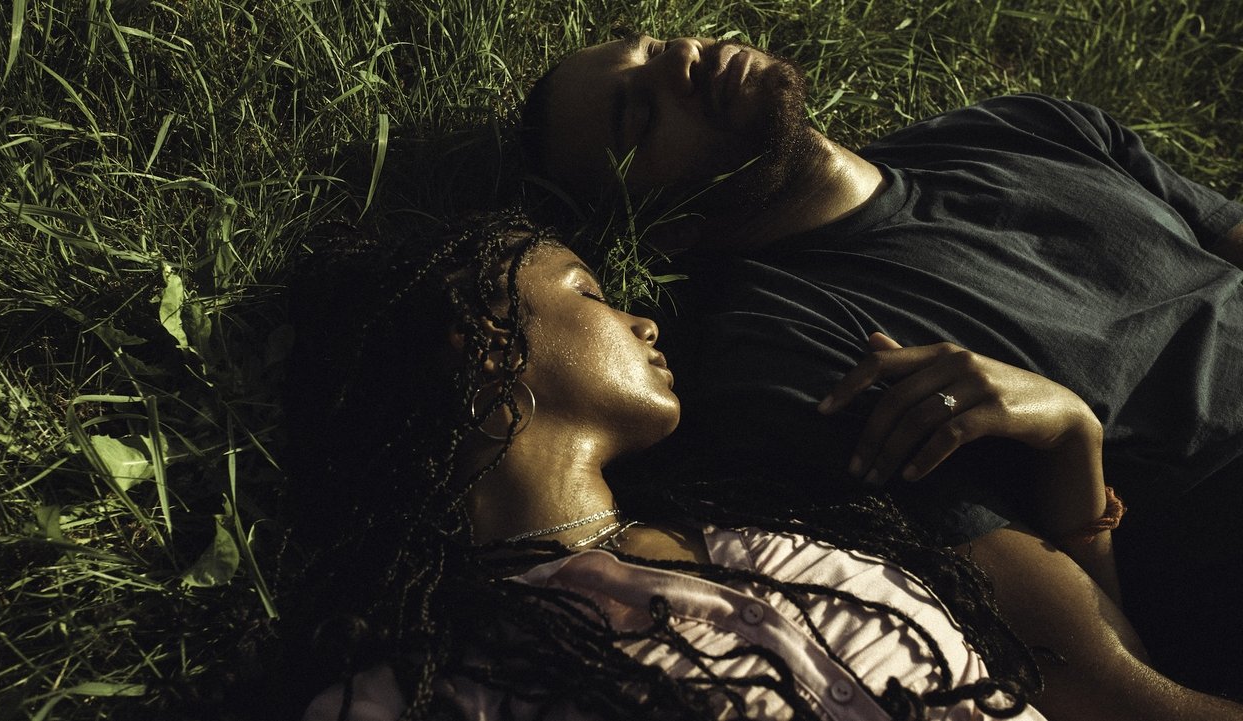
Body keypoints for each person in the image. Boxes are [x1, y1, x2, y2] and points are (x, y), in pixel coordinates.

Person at [519, 31, 1243, 703]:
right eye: (641, 114)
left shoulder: (1021, 124)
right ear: (666, 230)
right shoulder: (791, 352)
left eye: (650, 47)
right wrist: (1071, 436)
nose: (681, 55)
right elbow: (1105, 686)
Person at [272, 210, 1165, 721]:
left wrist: (1074, 439)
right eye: (589, 292)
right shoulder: (418, 692)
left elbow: (1107, 684)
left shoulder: (783, 536)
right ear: (489, 341)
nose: (643, 321)